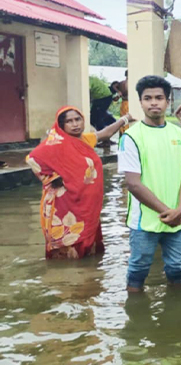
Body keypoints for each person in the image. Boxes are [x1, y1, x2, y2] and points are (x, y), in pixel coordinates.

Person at [26, 106, 133, 259]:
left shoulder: (85, 140)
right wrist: (51, 177)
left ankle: (87, 275)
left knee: (88, 245)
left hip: (85, 203)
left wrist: (125, 119)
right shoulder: (54, 143)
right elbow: (32, 158)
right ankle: (67, 279)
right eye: (69, 121)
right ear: (61, 125)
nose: (75, 124)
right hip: (63, 203)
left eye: (78, 119)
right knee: (66, 244)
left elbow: (106, 133)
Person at [119, 75, 181, 292]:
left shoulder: (180, 134)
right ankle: (135, 314)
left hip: (178, 217)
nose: (154, 102)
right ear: (140, 102)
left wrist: (180, 209)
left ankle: (176, 309)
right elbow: (133, 184)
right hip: (145, 220)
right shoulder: (131, 137)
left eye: (159, 97)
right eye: (148, 98)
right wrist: (167, 212)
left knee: (178, 268)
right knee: (139, 268)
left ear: (167, 102)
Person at [117, 70, 130, 134]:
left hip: (123, 102)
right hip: (127, 103)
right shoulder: (128, 83)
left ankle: (122, 131)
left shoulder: (122, 83)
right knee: (126, 118)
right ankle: (125, 131)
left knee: (123, 118)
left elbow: (114, 85)